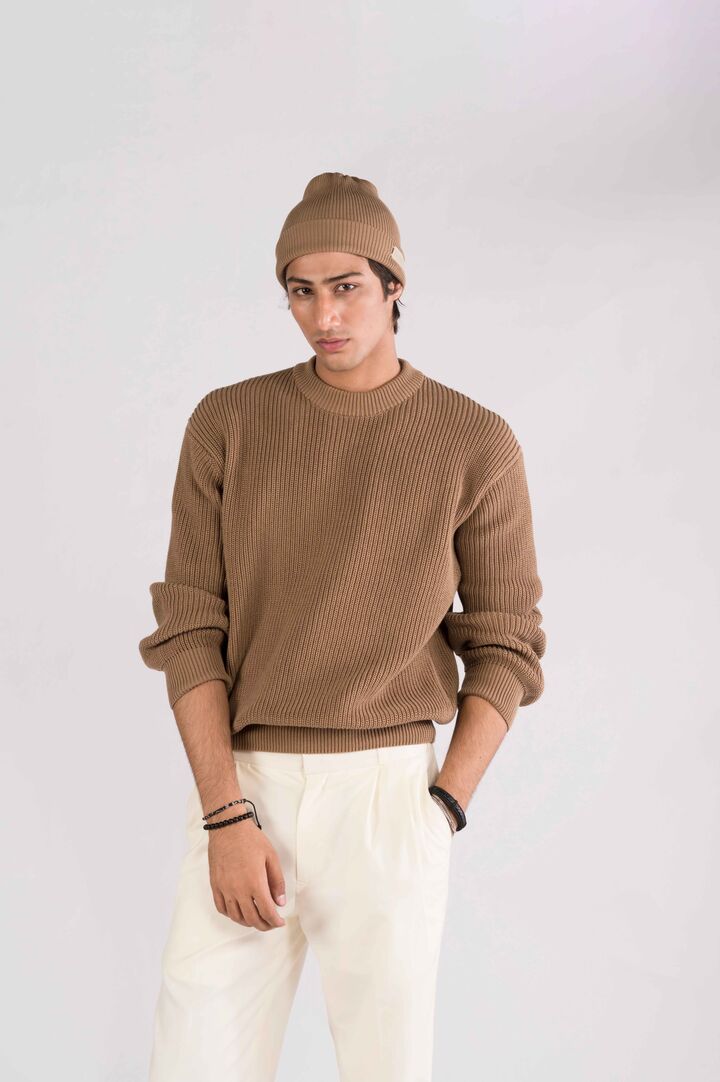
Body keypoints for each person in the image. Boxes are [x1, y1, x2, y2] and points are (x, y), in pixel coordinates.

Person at [138, 171, 546, 1081]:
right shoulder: (229, 423)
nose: (323, 315)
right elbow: (190, 627)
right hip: (246, 787)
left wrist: (442, 809)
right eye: (301, 290)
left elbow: (507, 642)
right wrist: (226, 814)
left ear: (395, 285)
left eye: (347, 286)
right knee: (194, 1059)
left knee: (385, 1069)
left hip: (388, 798)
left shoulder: (474, 440)